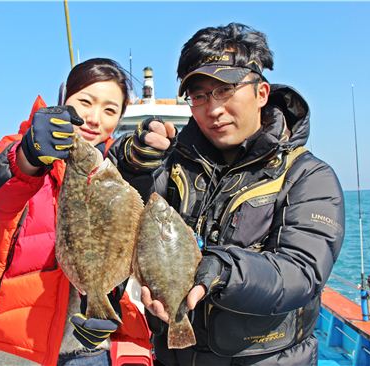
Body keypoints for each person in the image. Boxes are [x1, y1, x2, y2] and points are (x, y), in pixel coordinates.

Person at [111, 23, 345, 365]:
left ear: (261, 93)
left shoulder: (309, 177)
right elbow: (124, 210)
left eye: (226, 90)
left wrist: (222, 270)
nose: (214, 109)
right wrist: (132, 163)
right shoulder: (174, 166)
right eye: (200, 96)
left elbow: (302, 272)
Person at [0, 58, 150, 366]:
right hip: (15, 346)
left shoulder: (119, 166)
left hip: (88, 346)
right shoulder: (19, 146)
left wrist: (109, 306)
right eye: (85, 102)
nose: (94, 118)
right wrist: (29, 156)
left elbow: (128, 247)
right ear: (64, 99)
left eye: (109, 110)